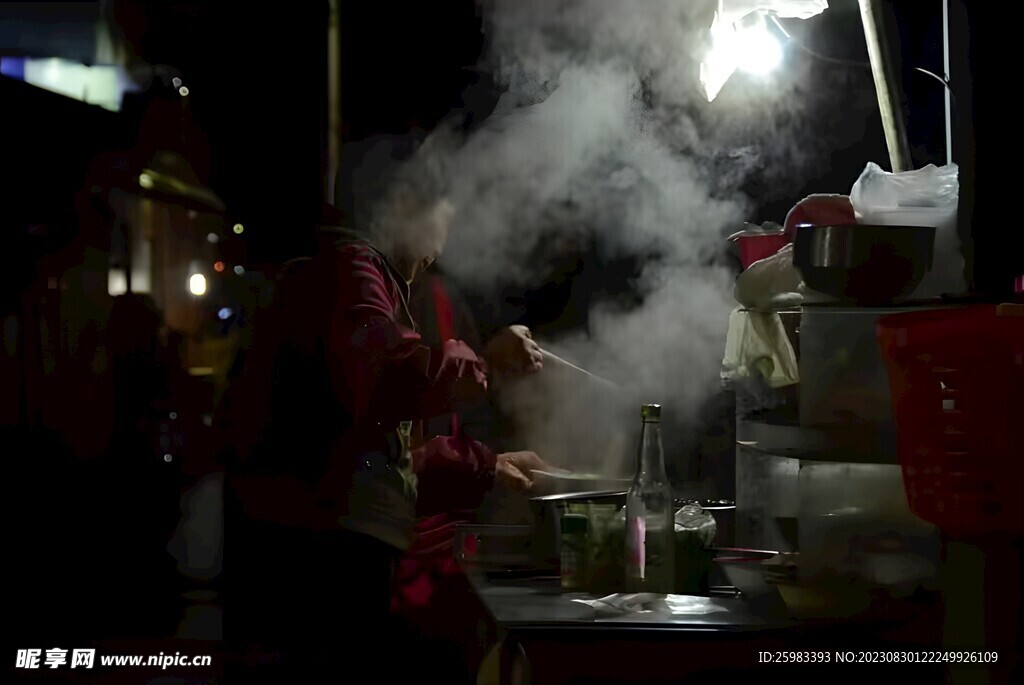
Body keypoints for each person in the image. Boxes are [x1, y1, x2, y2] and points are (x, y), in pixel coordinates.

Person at [217, 135, 549, 678]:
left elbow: (379, 455)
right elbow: (390, 379)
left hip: (320, 546)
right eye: (440, 225)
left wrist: (489, 465)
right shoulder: (350, 272)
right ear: (402, 207)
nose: (438, 250)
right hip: (316, 559)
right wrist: (488, 364)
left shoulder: (358, 281)